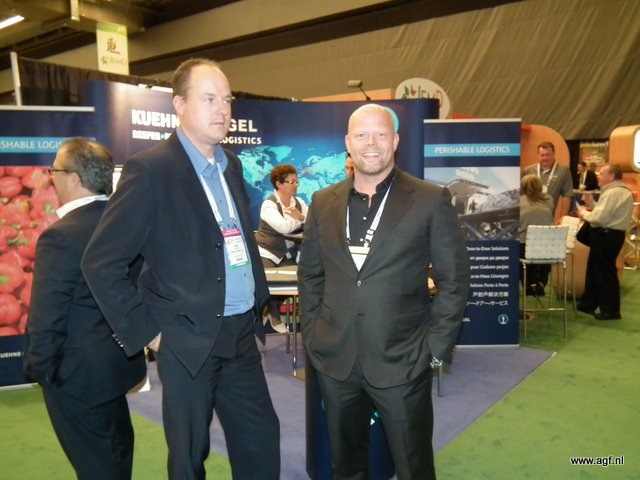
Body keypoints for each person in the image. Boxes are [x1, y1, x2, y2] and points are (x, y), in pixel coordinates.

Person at [81, 59, 280, 480]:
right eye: (209, 99)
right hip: (186, 339)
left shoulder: (231, 164)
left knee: (260, 442)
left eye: (226, 100)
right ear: (179, 104)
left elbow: (233, 238)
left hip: (241, 334)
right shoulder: (150, 170)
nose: (222, 109)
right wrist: (150, 334)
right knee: (189, 457)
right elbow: (101, 261)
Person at [298, 104, 470, 480]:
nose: (371, 143)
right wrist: (312, 334)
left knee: (413, 465)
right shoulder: (322, 202)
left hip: (403, 359)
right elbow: (310, 275)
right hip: (335, 359)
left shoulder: (430, 199)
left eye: (380, 134)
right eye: (362, 135)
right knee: (345, 466)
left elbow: (454, 281)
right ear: (348, 143)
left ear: (395, 141)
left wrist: (434, 351)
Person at [23, 137, 146, 480]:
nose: (51, 177)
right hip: (118, 364)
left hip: (76, 375)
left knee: (96, 464)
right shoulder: (125, 224)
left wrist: (40, 370)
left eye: (55, 170)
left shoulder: (61, 236)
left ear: (74, 178)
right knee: (117, 451)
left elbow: (47, 315)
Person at [577, 164, 634, 320]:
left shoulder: (612, 193)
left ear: (612, 176)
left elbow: (599, 218)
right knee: (597, 270)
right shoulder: (620, 191)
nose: (598, 176)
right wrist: (591, 203)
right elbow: (607, 213)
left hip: (605, 235)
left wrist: (583, 212)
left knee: (604, 273)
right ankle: (588, 304)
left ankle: (610, 311)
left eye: (602, 173)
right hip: (611, 235)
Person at [255, 164, 308, 333]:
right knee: (268, 284)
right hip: (266, 252)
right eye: (291, 182)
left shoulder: (299, 202)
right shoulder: (268, 204)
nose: (295, 185)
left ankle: (271, 312)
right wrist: (300, 220)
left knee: (291, 284)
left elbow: (313, 223)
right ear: (278, 184)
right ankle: (272, 315)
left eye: (297, 181)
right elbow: (283, 228)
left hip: (287, 254)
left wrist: (301, 217)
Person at [518, 174, 554, 296]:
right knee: (541, 253)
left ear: (522, 187)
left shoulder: (519, 202)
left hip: (526, 246)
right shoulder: (549, 199)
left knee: (520, 250)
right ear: (540, 186)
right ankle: (541, 282)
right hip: (547, 248)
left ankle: (529, 285)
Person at [522, 141, 573, 223]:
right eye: (542, 155)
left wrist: (563, 219)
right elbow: (521, 195)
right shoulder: (528, 170)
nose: (545, 158)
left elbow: (567, 196)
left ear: (554, 154)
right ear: (538, 155)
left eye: (548, 154)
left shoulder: (563, 171)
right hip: (527, 218)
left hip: (548, 217)